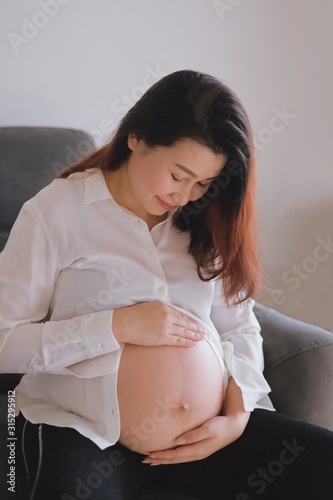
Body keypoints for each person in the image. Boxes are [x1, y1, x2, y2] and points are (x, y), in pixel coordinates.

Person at [0, 69, 333, 500]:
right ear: (136, 138)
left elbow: (239, 328)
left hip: (207, 436)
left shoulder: (205, 218)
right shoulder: (57, 212)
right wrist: (116, 326)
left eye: (203, 183)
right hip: (81, 428)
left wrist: (236, 416)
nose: (186, 196)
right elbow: (5, 341)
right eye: (178, 175)